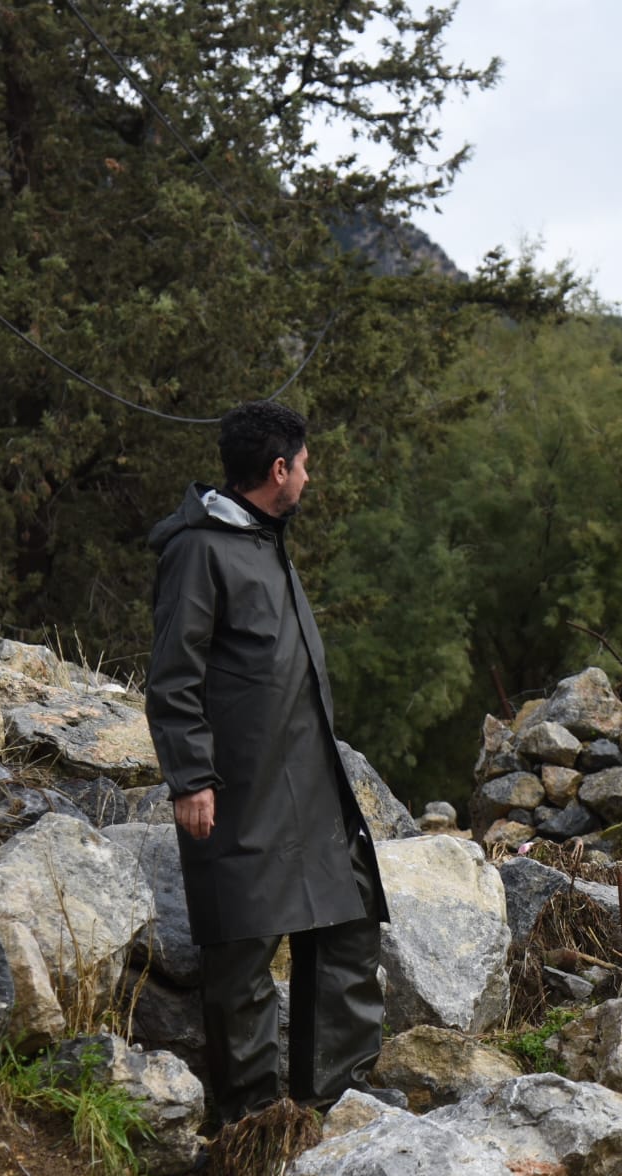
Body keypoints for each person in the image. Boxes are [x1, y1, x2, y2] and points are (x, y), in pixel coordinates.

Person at [145, 400, 403, 1124]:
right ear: (278, 469)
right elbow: (173, 676)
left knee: (348, 918)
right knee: (242, 946)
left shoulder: (262, 537)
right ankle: (252, 1122)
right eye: (305, 466)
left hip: (309, 782)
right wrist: (191, 777)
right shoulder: (199, 550)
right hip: (241, 787)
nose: (309, 479)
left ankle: (336, 1099)